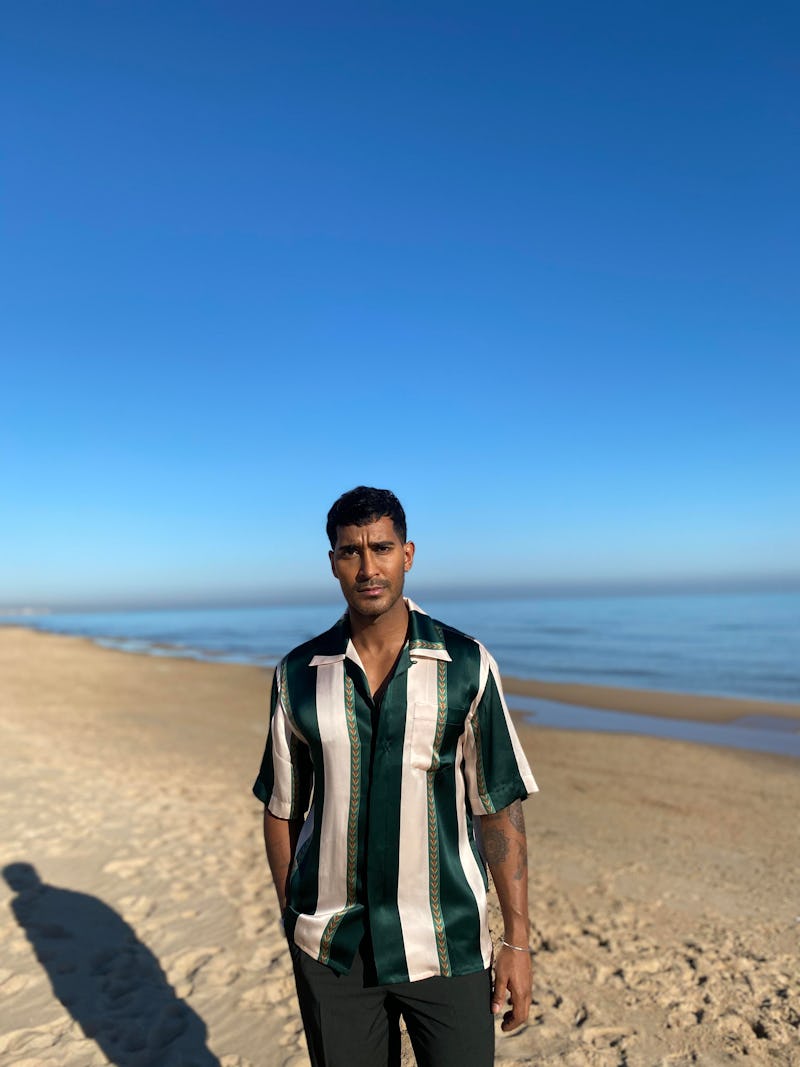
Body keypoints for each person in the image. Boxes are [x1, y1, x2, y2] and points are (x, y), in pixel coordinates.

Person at [253, 486, 538, 1067]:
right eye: (350, 552)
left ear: (407, 554)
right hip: (333, 950)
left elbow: (498, 808)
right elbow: (283, 806)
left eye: (380, 548)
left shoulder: (466, 666)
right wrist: (294, 916)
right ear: (332, 562)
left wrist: (516, 940)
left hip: (447, 945)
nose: (367, 567)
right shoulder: (299, 675)